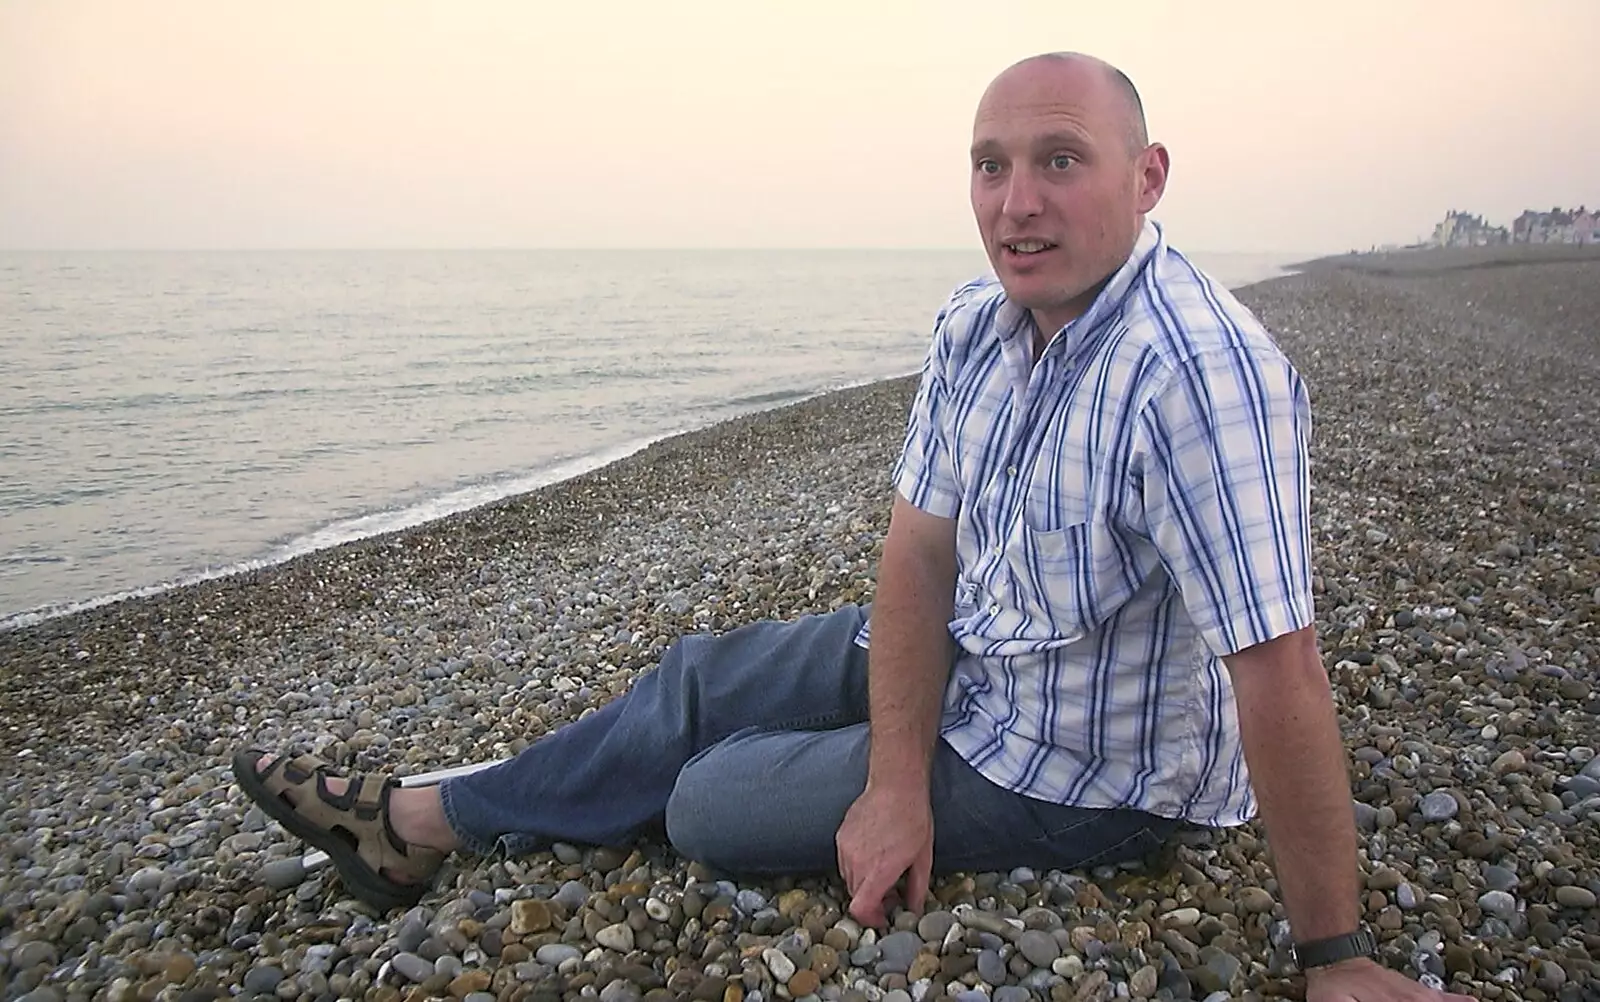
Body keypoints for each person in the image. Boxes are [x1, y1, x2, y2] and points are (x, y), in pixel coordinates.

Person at [235, 52, 1470, 1002]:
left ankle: (438, 815)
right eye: (990, 165)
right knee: (697, 680)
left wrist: (1335, 954)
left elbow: (1279, 666)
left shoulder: (1196, 378)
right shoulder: (975, 327)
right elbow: (919, 551)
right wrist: (892, 774)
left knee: (709, 804)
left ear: (1147, 178)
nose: (1015, 202)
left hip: (1085, 770)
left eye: (1059, 161)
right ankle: (419, 826)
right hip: (988, 652)